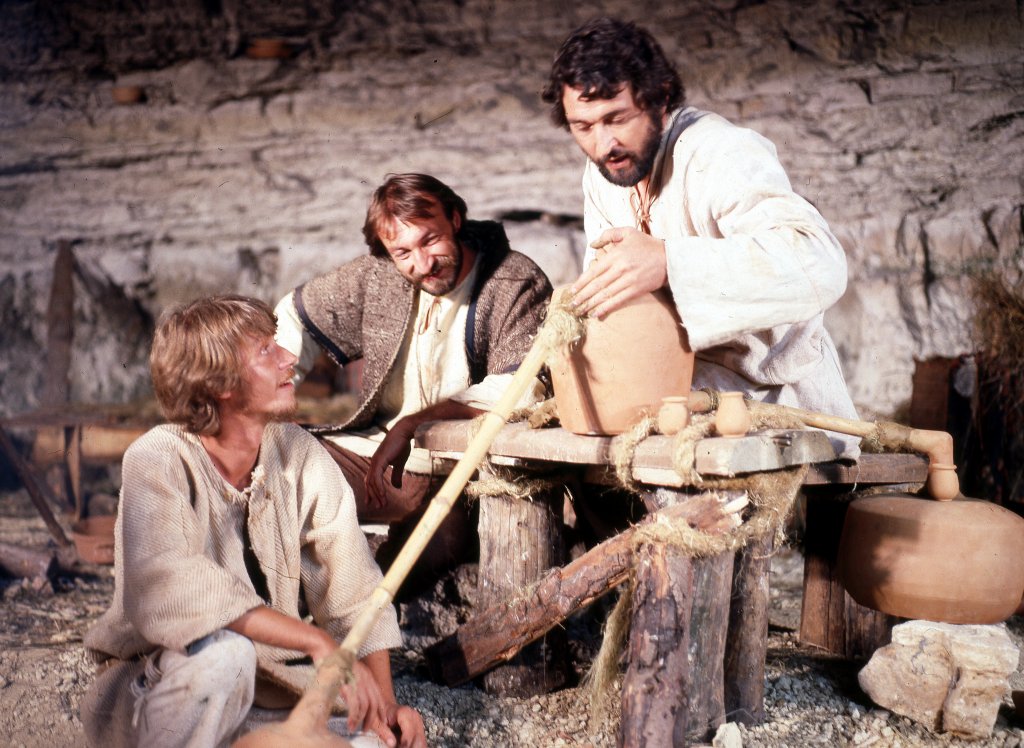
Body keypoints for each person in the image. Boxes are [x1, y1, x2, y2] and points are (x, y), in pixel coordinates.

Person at [81, 295, 426, 748]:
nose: (289, 359)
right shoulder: (158, 457)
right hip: (159, 692)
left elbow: (352, 587)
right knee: (227, 657)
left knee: (377, 744)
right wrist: (314, 642)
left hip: (268, 696)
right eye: (266, 350)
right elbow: (173, 585)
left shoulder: (297, 451)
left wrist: (385, 706)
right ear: (219, 382)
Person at [542, 17, 859, 455]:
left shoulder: (719, 152)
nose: (603, 144)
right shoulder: (603, 176)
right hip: (677, 404)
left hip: (778, 407)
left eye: (617, 118)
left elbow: (819, 261)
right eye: (583, 126)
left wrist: (668, 262)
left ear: (660, 98)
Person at [275, 173, 553, 586]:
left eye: (430, 240)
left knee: (398, 567)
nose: (422, 264)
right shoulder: (380, 275)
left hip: (454, 471)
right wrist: (274, 398)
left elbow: (523, 388)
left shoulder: (514, 281)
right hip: (369, 453)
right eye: (403, 251)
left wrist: (413, 424)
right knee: (261, 465)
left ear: (454, 219)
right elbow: (296, 315)